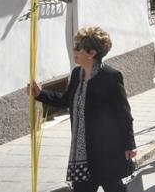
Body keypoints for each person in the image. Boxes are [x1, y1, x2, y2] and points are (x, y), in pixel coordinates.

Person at [29, 27, 136, 192]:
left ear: (91, 53)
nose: (74, 50)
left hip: (106, 152)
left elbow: (123, 113)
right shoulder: (77, 74)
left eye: (78, 47)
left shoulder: (110, 77)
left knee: (114, 188)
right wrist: (40, 94)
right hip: (82, 156)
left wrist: (130, 144)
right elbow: (66, 100)